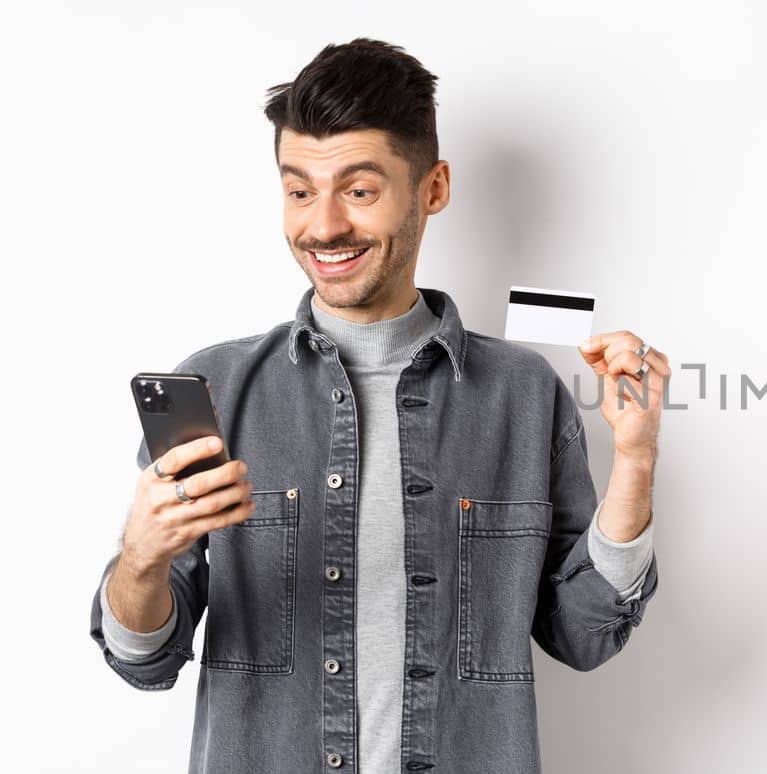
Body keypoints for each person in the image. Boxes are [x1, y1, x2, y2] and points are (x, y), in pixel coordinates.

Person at [87, 38, 668, 773]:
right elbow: (143, 660)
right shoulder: (215, 390)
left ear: (433, 189)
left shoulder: (524, 396)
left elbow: (583, 637)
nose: (322, 226)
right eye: (299, 191)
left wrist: (637, 462)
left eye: (358, 191)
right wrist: (141, 559)